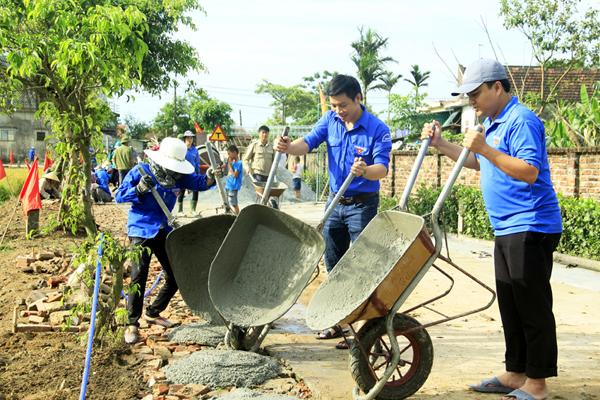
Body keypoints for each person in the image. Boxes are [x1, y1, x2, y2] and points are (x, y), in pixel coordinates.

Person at [421, 59, 562, 400]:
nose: (471, 100)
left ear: (497, 87)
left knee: (532, 305)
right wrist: (443, 144)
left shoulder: (521, 120)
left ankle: (538, 384)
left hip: (531, 224)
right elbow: (478, 160)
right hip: (507, 226)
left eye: (476, 93)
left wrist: (484, 147)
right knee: (511, 303)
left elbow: (529, 171)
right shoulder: (495, 123)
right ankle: (516, 373)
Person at [275, 74, 392, 348]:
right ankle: (341, 324)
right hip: (334, 204)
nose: (338, 110)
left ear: (358, 98)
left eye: (343, 105)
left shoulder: (377, 129)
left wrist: (366, 170)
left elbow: (383, 168)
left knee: (361, 267)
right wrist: (289, 147)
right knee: (334, 264)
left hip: (362, 205)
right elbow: (308, 142)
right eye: (334, 105)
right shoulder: (330, 121)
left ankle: (365, 331)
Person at [115, 137, 219, 344]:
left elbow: (198, 183)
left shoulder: (178, 176)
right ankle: (132, 323)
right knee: (138, 276)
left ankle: (153, 311)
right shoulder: (141, 171)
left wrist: (209, 177)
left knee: (176, 274)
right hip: (141, 229)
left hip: (164, 228)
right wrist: (138, 190)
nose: (174, 172)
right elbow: (119, 196)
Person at [176, 130, 201, 215]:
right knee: (182, 191)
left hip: (193, 173)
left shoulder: (195, 150)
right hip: (183, 174)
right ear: (185, 139)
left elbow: (197, 162)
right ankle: (180, 211)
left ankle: (193, 210)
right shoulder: (182, 149)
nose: (190, 140)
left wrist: (198, 173)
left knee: (195, 190)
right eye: (188, 138)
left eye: (191, 138)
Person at [225, 144, 243, 214]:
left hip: (233, 186)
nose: (228, 155)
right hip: (229, 185)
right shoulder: (234, 162)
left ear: (234, 153)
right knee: (228, 203)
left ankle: (237, 217)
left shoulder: (239, 163)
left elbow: (235, 175)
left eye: (229, 153)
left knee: (234, 204)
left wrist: (229, 165)